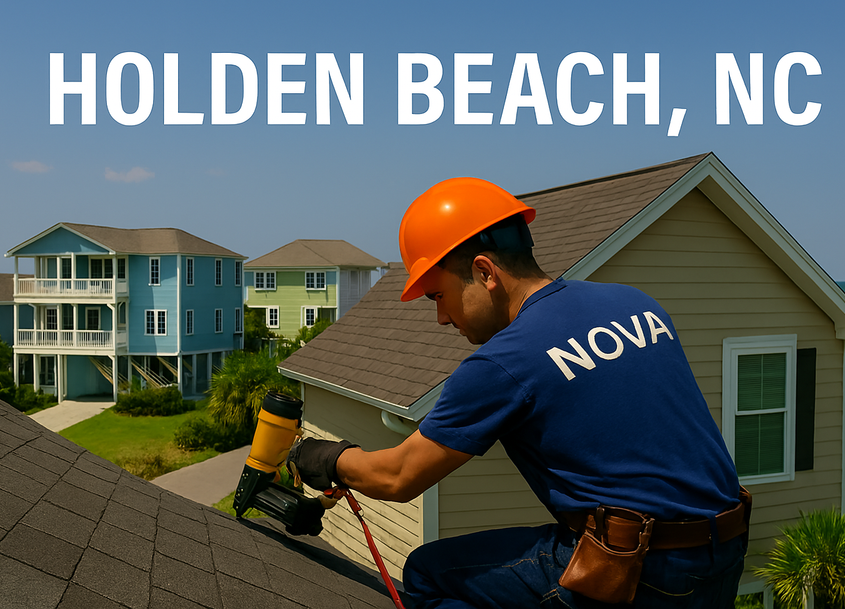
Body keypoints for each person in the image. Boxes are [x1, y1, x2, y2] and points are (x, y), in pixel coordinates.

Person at [289, 177, 749, 608]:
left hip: (638, 571)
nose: (441, 319)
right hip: (725, 551)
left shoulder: (505, 362)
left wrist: (325, 457)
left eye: (437, 296)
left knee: (428, 572)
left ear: (485, 271)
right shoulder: (637, 303)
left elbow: (398, 477)